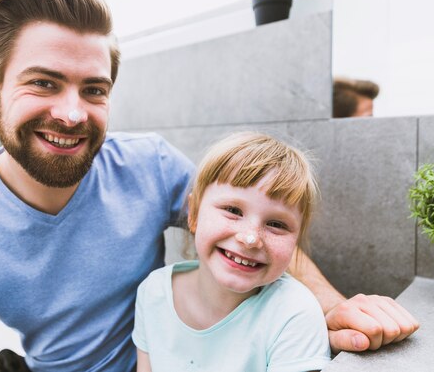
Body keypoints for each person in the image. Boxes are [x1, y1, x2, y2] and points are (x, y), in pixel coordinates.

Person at [0, 0, 418, 372]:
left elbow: (244, 225)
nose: (72, 113)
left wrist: (331, 306)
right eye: (43, 82)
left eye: (93, 89)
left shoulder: (148, 165)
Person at [133, 132, 331, 372]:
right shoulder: (154, 292)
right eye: (233, 210)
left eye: (276, 224)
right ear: (193, 214)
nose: (250, 238)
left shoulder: (295, 313)